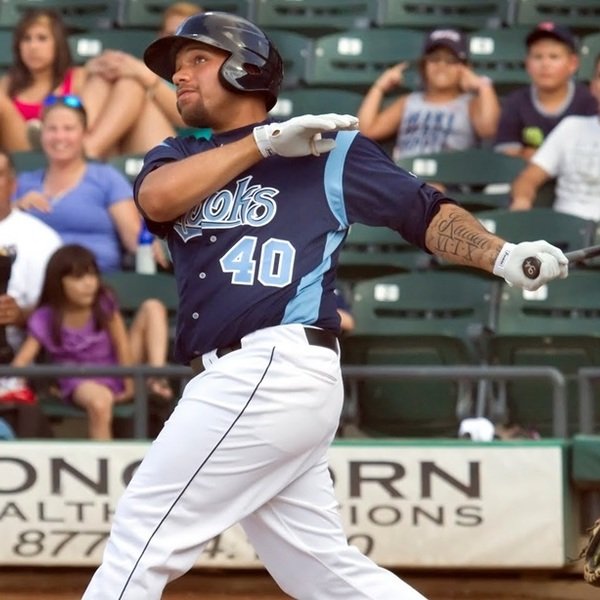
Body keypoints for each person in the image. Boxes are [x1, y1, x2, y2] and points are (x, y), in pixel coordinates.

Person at [81, 12, 569, 599]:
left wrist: (502, 255)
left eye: (197, 62)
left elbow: (424, 213)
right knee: (321, 570)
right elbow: (157, 201)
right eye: (176, 68)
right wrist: (263, 144)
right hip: (251, 378)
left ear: (245, 69)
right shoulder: (177, 154)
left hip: (269, 365)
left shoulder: (327, 151)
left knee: (141, 531)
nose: (179, 77)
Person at [11, 244, 172, 441]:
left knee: (153, 307)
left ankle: (156, 378)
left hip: (117, 368)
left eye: (93, 275)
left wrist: (129, 383)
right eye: (79, 278)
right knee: (99, 402)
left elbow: (121, 344)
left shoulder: (104, 302)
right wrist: (12, 383)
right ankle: (106, 465)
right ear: (58, 282)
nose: (89, 284)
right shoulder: (45, 317)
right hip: (80, 379)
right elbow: (22, 361)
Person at [13, 94, 141, 272]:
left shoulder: (106, 178)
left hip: (95, 278)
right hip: (35, 281)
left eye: (69, 129)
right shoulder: (22, 182)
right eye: (52, 129)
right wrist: (16, 209)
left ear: (84, 133)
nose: (60, 137)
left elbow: (135, 239)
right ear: (42, 134)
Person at [81, 1, 205, 159]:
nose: (176, 43)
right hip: (126, 149)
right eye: (169, 35)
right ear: (159, 37)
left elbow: (188, 118)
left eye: (183, 37)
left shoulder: (204, 71)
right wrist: (89, 69)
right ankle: (82, 147)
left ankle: (85, 152)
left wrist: (147, 78)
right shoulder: (149, 71)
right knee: (102, 78)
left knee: (131, 84)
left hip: (187, 154)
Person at [358, 28, 500, 161]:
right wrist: (379, 88)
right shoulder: (408, 102)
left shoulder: (471, 104)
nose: (441, 65)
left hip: (450, 179)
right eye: (434, 59)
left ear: (466, 68)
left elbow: (490, 129)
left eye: (451, 60)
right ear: (423, 65)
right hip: (407, 177)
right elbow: (367, 131)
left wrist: (483, 86)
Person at [509, 55, 600, 220]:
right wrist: (522, 200)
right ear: (593, 86)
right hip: (565, 232)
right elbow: (529, 178)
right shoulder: (571, 127)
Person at [494, 22, 597, 160]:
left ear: (573, 63)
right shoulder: (515, 101)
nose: (545, 64)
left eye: (554, 57)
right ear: (527, 64)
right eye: (537, 57)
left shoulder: (589, 100)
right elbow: (506, 150)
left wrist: (542, 157)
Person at [0, 8, 87, 147]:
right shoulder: (7, 83)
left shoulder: (78, 77)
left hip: (66, 150)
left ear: (58, 44)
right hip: (20, 158)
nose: (33, 47)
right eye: (26, 39)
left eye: (42, 38)